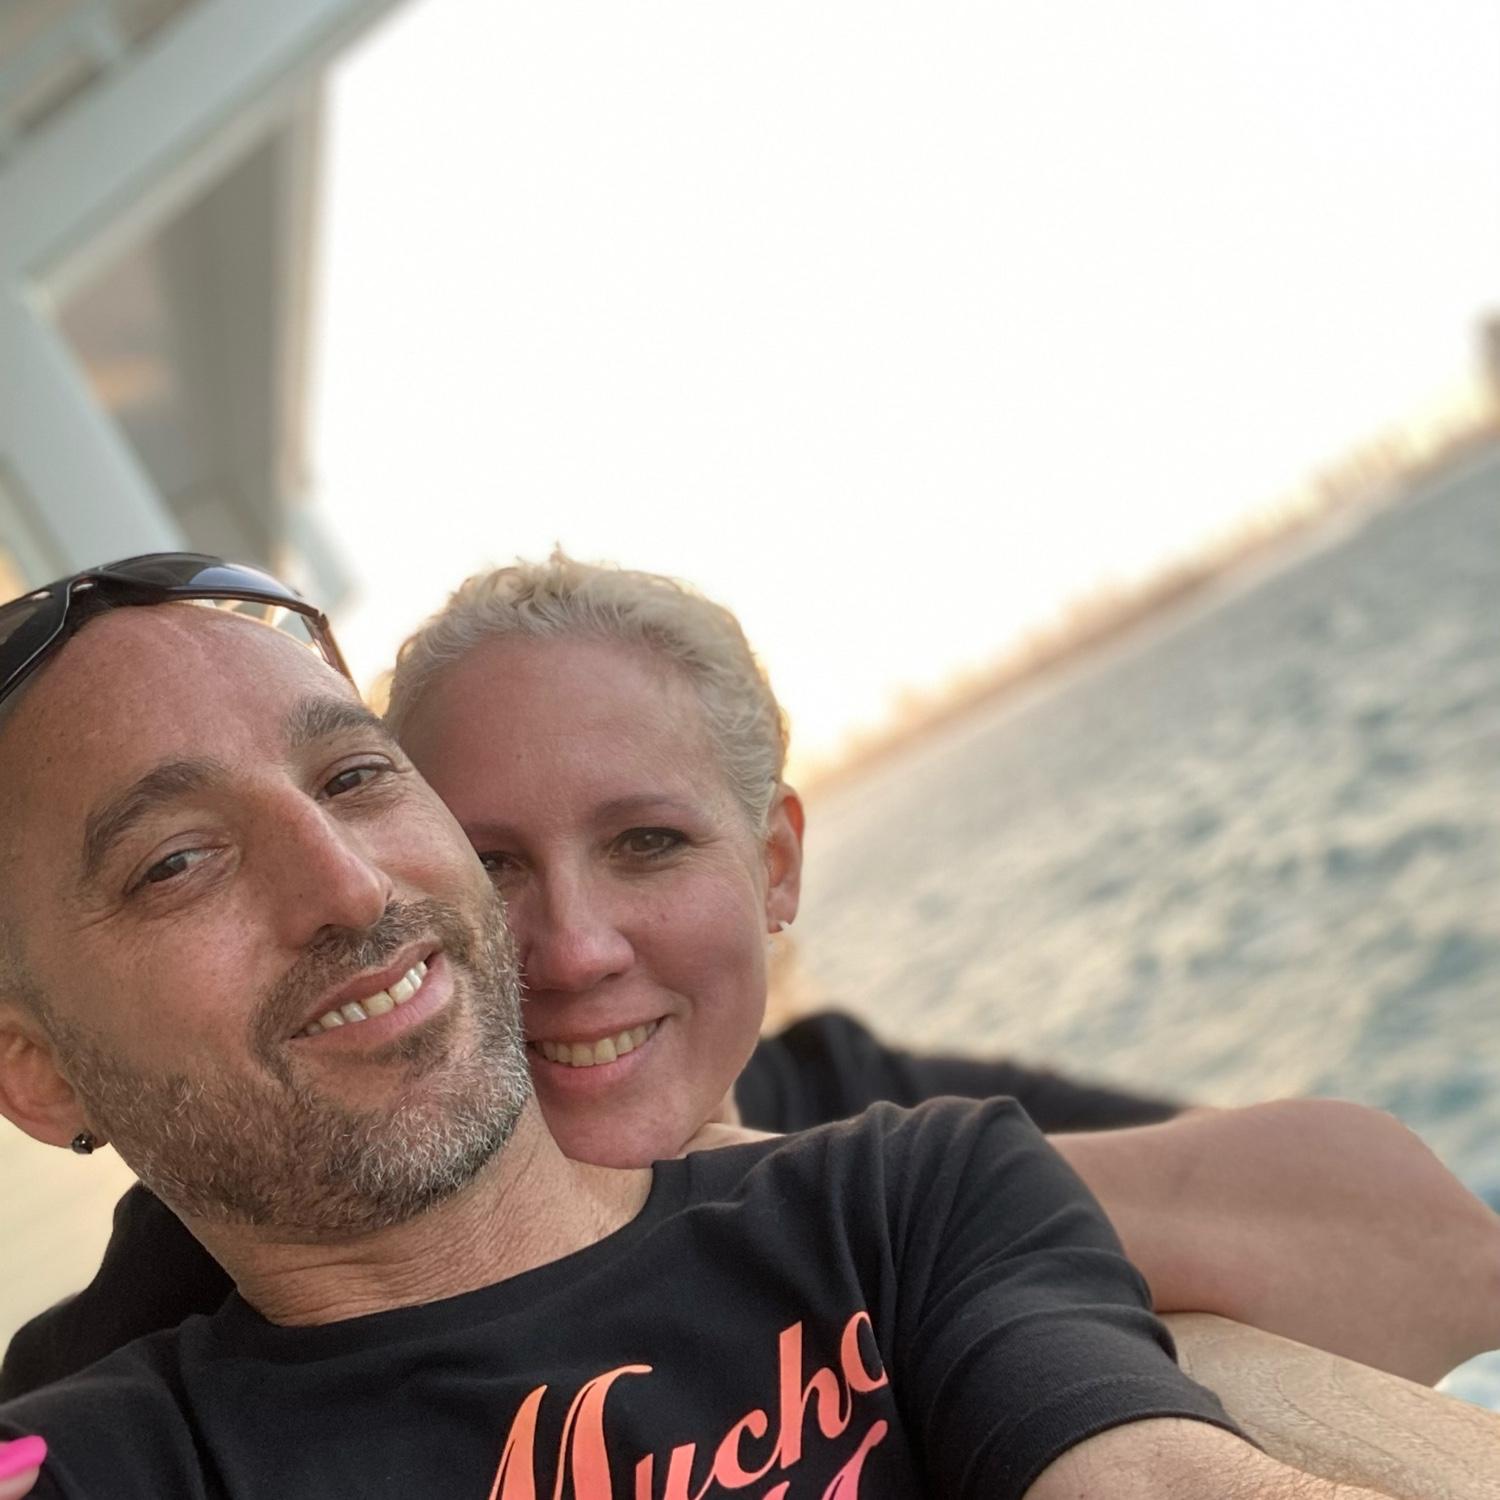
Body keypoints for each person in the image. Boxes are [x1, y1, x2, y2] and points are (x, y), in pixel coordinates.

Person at [0, 554, 1404, 1499]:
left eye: (354, 779)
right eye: (174, 862)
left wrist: (808, 1195)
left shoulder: (898, 1180)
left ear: (773, 864)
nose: (574, 950)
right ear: (37, 1069)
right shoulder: (123, 1406)